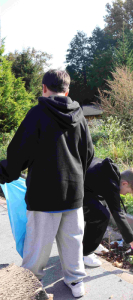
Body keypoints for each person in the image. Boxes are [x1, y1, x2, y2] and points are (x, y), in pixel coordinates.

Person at [0, 69, 94, 298]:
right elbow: (88, 153)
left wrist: (5, 173)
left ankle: (30, 284)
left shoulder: (37, 114)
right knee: (73, 241)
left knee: (38, 247)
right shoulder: (79, 115)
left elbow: (19, 154)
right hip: (73, 192)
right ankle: (76, 282)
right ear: (67, 91)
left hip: (44, 193)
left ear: (44, 88)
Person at [82, 157, 133, 268]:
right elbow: (118, 215)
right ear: (125, 183)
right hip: (74, 190)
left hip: (85, 187)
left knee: (101, 209)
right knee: (101, 215)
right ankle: (85, 253)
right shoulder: (110, 184)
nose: (124, 195)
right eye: (127, 192)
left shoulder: (110, 173)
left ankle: (92, 243)